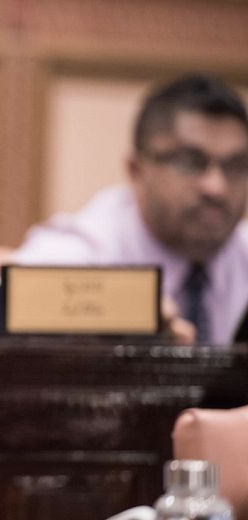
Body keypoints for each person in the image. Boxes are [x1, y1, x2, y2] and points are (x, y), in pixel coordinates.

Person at [13, 73, 248, 345]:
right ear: (136, 170)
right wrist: (111, 315)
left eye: (235, 166)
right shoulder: (83, 251)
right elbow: (23, 295)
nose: (216, 187)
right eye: (190, 162)